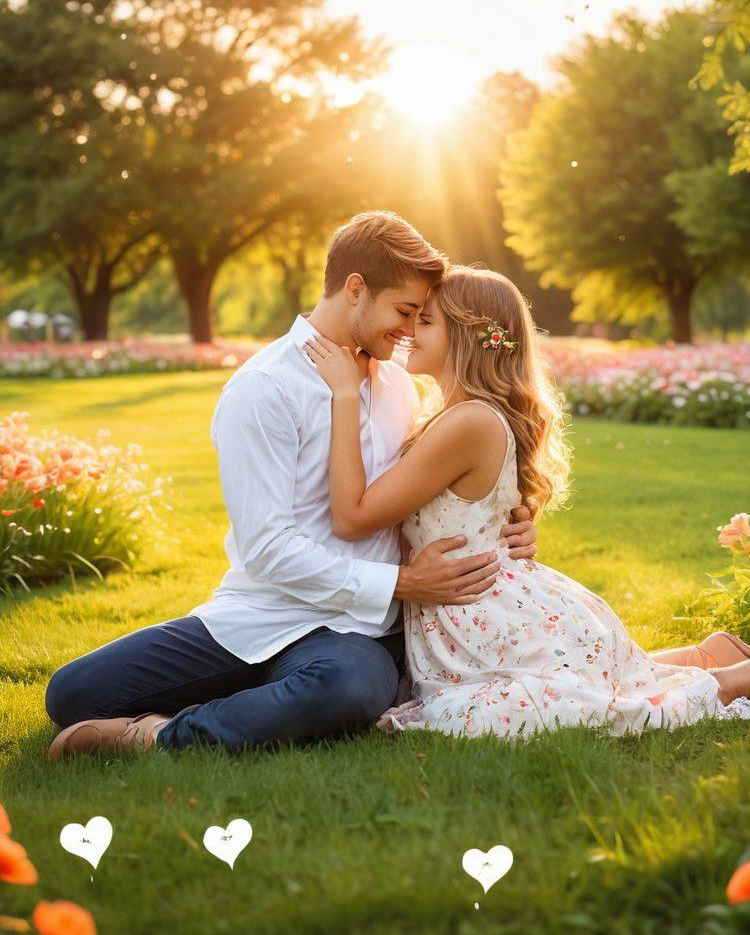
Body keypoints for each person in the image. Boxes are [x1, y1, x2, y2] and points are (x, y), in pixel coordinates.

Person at [44, 213, 541, 759]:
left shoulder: (400, 387)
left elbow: (430, 494)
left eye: (419, 317)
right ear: (356, 290)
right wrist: (401, 582)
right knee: (74, 694)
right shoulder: (264, 388)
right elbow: (266, 550)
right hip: (261, 613)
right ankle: (266, 698)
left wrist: (503, 532)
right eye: (404, 312)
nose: (407, 331)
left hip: (356, 629)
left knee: (348, 687)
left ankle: (159, 735)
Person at [301, 265, 750, 739]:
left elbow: (356, 514)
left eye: (427, 322)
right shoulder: (455, 414)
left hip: (483, 611)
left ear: (468, 337)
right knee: (574, 691)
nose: (410, 331)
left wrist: (345, 396)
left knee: (524, 712)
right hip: (472, 610)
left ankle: (739, 679)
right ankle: (709, 656)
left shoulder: (469, 421)